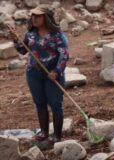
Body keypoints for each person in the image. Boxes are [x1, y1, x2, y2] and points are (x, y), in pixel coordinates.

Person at [9, 5, 69, 145]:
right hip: (33, 73)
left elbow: (64, 55)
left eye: (38, 16)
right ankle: (43, 132)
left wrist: (57, 72)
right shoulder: (30, 34)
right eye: (33, 16)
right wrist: (16, 40)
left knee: (55, 104)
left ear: (46, 18)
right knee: (40, 103)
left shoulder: (58, 35)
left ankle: (57, 135)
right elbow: (23, 51)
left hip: (52, 75)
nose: (34, 18)